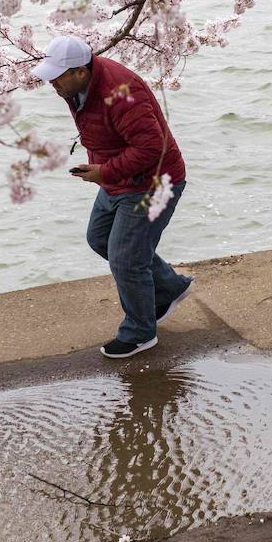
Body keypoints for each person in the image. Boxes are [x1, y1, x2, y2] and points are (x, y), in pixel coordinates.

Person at [32, 35, 192, 359]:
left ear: (80, 71)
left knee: (125, 259)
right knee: (99, 237)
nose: (51, 83)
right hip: (120, 180)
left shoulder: (121, 93)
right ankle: (170, 287)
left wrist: (104, 172)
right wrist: (102, 170)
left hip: (153, 183)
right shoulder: (78, 87)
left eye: (57, 75)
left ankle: (140, 333)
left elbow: (151, 147)